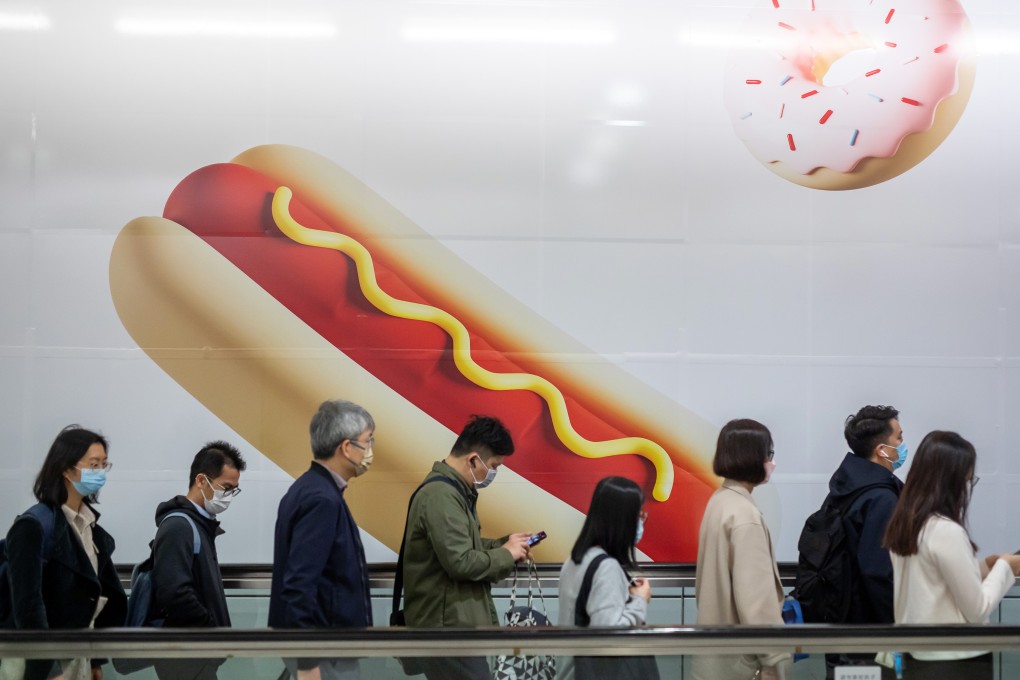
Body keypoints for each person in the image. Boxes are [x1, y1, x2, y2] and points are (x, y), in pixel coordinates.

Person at [401, 415, 531, 680]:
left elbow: (462, 543)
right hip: (448, 631)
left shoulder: (453, 492)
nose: (494, 473)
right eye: (493, 466)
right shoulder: (441, 496)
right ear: (473, 460)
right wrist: (506, 554)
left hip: (453, 627)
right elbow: (460, 561)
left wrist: (504, 545)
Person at [884, 431, 1020, 679]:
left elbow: (931, 579)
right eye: (968, 480)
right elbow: (977, 610)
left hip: (918, 658)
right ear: (951, 482)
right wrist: (1005, 567)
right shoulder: (946, 530)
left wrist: (982, 568)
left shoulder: (907, 524)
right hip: (956, 661)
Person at [2, 425, 127, 680]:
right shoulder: (33, 525)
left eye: (104, 464)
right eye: (93, 464)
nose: (100, 472)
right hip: (41, 662)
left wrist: (95, 660)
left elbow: (94, 596)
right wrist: (45, 669)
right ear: (66, 469)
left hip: (78, 653)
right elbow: (28, 607)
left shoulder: (89, 525)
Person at [269, 400, 376, 680]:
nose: (370, 451)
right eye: (367, 441)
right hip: (326, 651)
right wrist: (307, 664)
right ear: (346, 447)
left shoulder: (307, 489)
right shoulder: (322, 500)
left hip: (324, 647)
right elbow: (299, 584)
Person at [693, 419, 790, 680]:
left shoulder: (720, 501)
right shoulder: (745, 514)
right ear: (753, 457)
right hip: (743, 665)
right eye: (769, 454)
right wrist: (773, 658)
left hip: (716, 657)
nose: (772, 462)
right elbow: (755, 602)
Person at [814, 405, 905, 675]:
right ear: (881, 450)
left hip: (842, 625)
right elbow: (878, 571)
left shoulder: (845, 488)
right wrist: (899, 629)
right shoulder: (881, 498)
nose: (902, 444)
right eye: (899, 437)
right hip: (871, 636)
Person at [150, 441, 246, 680]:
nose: (229, 497)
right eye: (226, 488)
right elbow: (174, 592)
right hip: (185, 654)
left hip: (197, 653)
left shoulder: (200, 524)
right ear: (201, 480)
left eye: (234, 490)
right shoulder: (178, 527)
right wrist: (210, 627)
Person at [557, 476, 657, 680]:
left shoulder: (576, 559)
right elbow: (608, 634)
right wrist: (639, 600)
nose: (641, 522)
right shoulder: (607, 568)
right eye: (638, 516)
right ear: (623, 521)